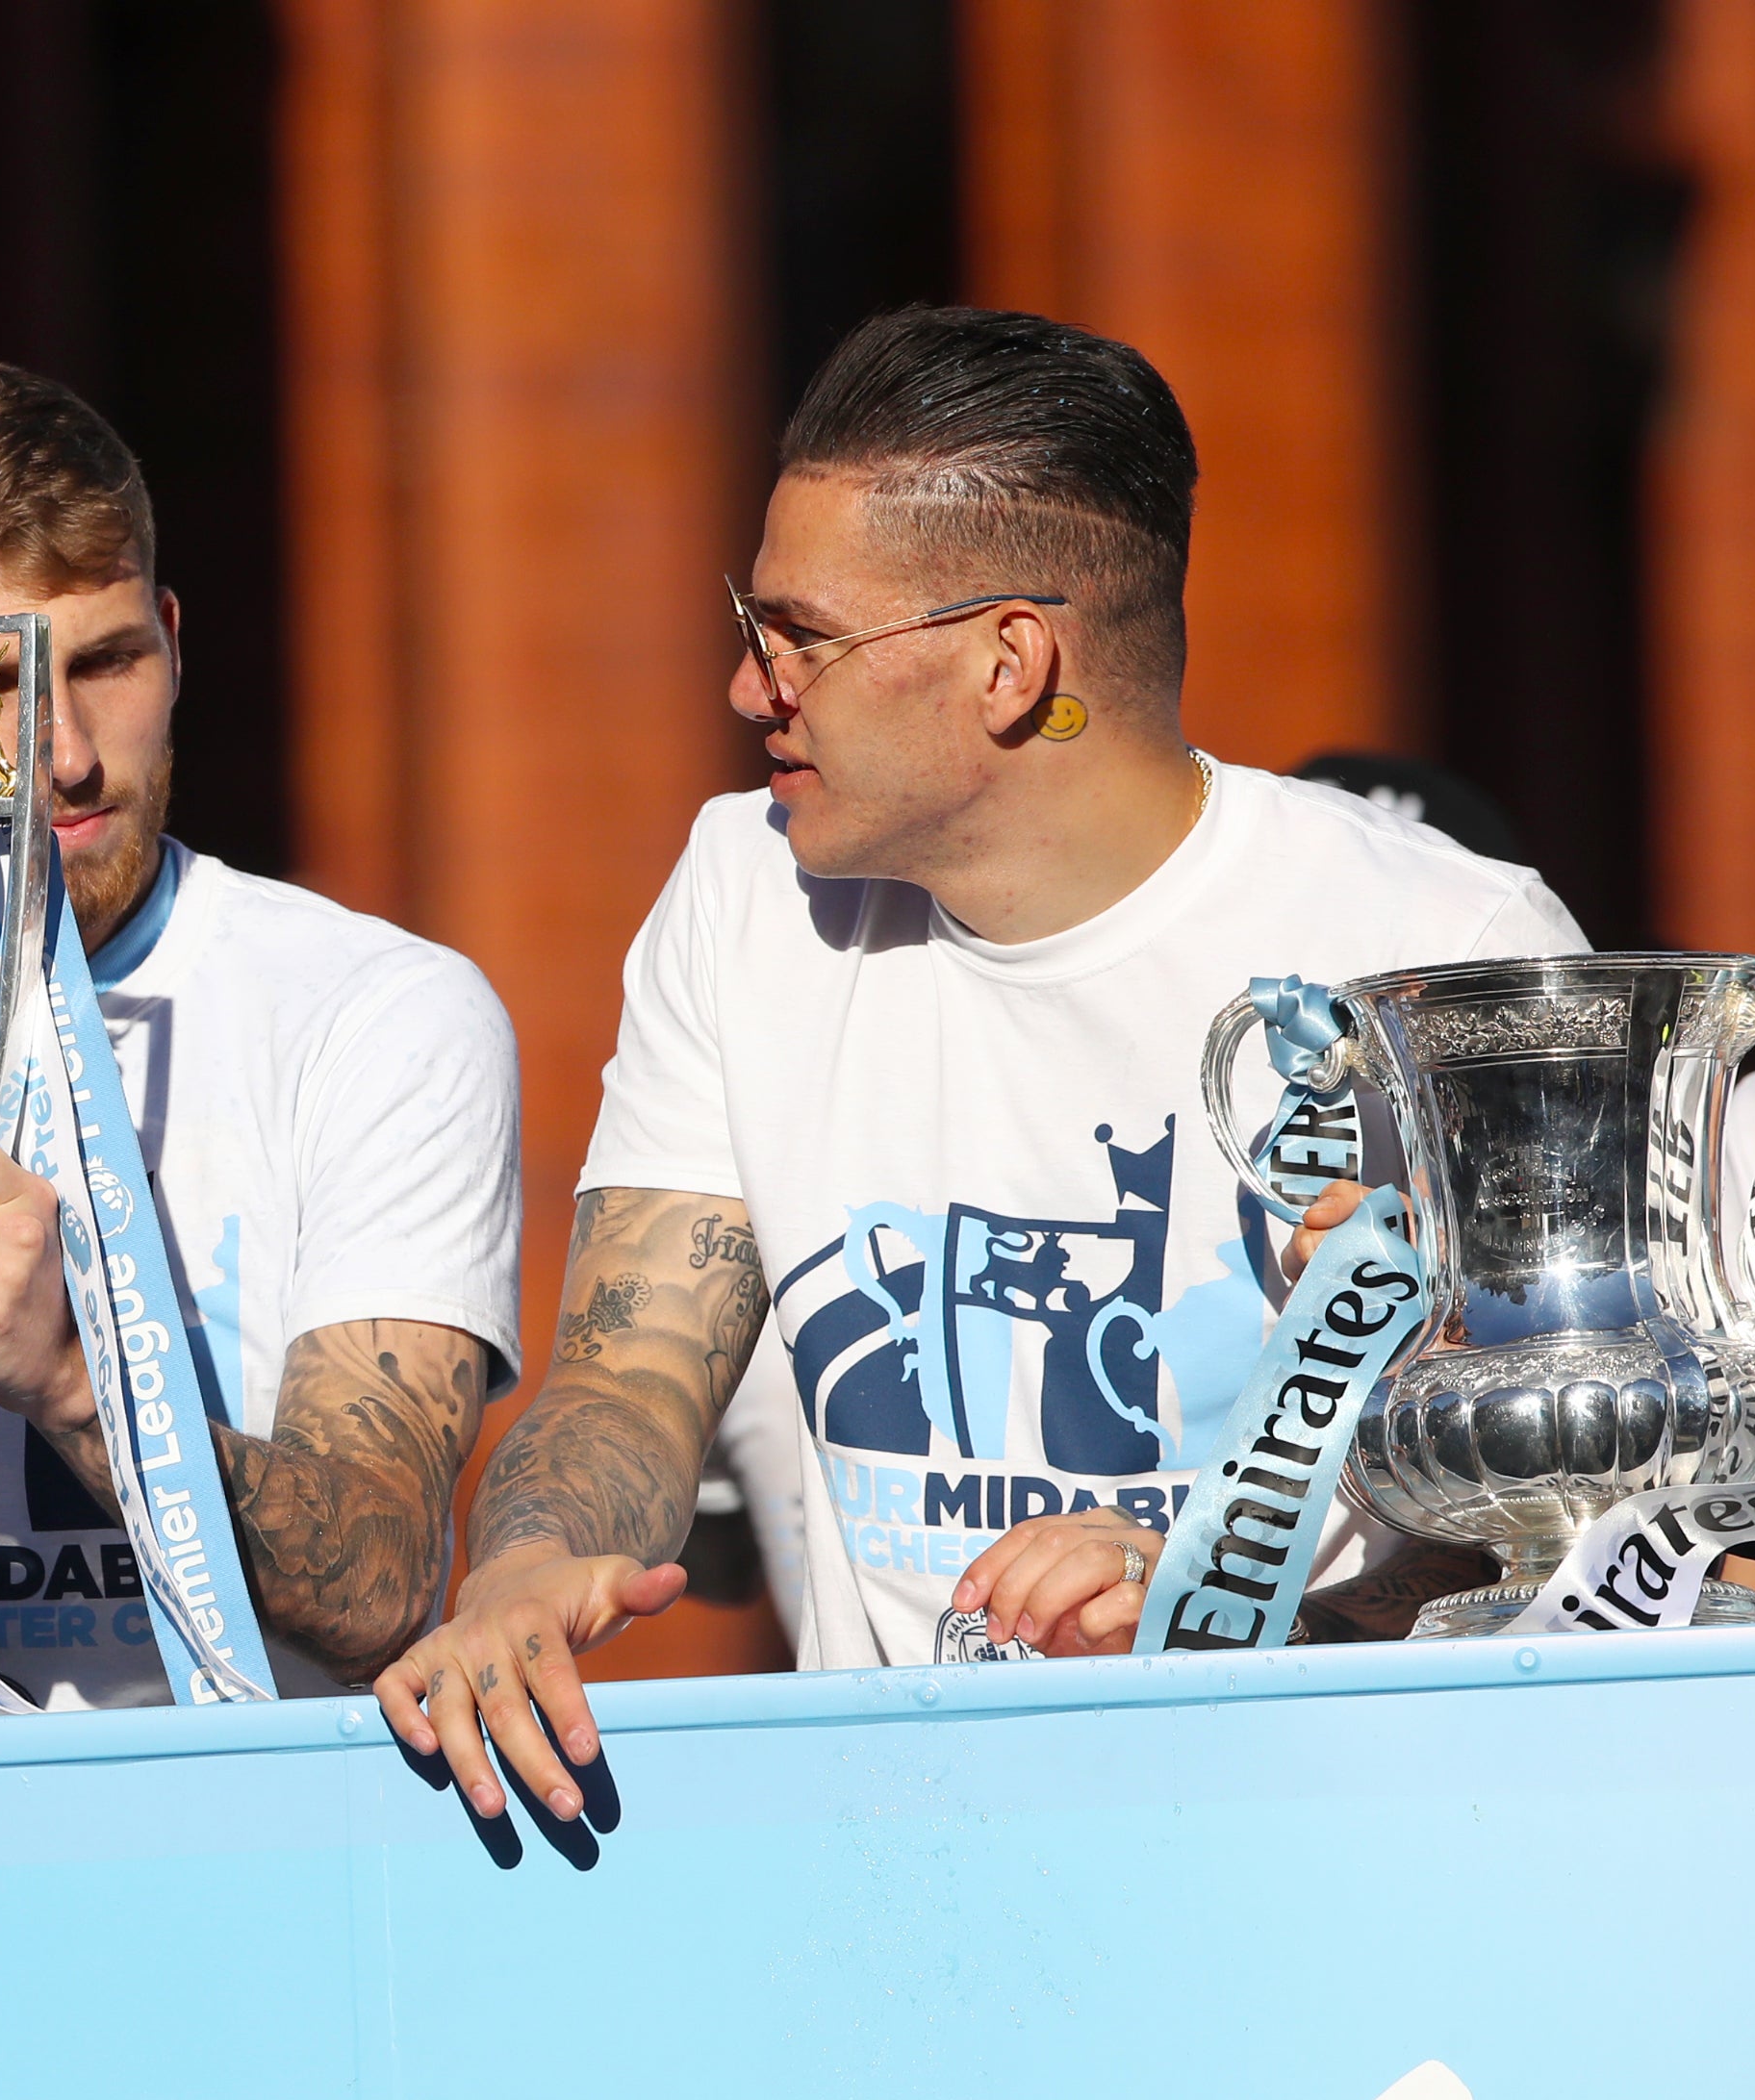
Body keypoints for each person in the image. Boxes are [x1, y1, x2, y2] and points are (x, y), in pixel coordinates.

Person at [378, 306, 1585, 1822]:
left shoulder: (1447, 942)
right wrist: (526, 1567)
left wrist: (1216, 1593)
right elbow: (624, 1374)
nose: (751, 688)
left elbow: (1586, 1543)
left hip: (1339, 1849)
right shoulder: (743, 891)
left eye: (798, 637)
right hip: (903, 1872)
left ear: (1010, 664)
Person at [0, 360, 527, 1703]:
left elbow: (378, 1585)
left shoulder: (375, 1010)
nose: (70, 752)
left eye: (107, 660)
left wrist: (78, 1379)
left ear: (176, 642)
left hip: (231, 1852)